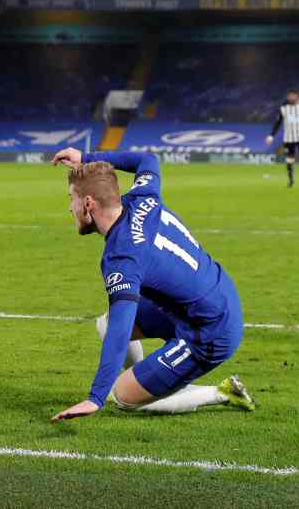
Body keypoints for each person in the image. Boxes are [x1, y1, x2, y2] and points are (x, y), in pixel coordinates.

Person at [49, 148, 255, 421]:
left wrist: (95, 397)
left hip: (210, 331)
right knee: (106, 323)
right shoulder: (143, 195)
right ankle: (151, 380)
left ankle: (221, 392)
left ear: (88, 204)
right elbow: (147, 159)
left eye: (71, 200)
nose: (69, 208)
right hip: (215, 294)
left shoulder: (122, 256)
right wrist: (85, 157)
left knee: (122, 396)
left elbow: (121, 331)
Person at [266, 89, 299, 188]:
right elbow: (277, 123)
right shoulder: (283, 109)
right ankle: (291, 181)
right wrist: (271, 135)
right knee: (290, 158)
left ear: (297, 97)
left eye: (293, 96)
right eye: (290, 96)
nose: (291, 97)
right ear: (288, 97)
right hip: (289, 138)